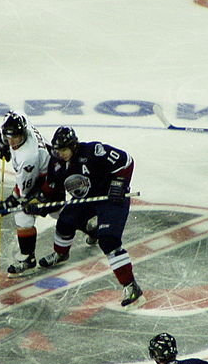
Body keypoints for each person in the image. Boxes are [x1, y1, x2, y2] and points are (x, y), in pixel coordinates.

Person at [25, 126, 144, 308]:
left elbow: (126, 161)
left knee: (109, 240)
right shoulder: (56, 161)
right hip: (87, 198)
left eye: (64, 149)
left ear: (74, 145)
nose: (60, 153)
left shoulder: (93, 151)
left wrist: (119, 184)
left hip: (110, 198)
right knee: (65, 221)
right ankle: (61, 254)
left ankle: (131, 286)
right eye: (58, 149)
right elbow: (51, 186)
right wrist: (37, 200)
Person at [0, 111, 54, 276]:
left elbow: (22, 192)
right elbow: (9, 114)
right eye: (8, 137)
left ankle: (90, 228)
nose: (12, 142)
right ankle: (27, 258)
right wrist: (1, 140)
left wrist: (9, 203)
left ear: (23, 134)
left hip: (50, 179)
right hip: (47, 166)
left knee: (30, 211)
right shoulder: (20, 121)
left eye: (14, 138)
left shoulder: (27, 158)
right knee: (28, 216)